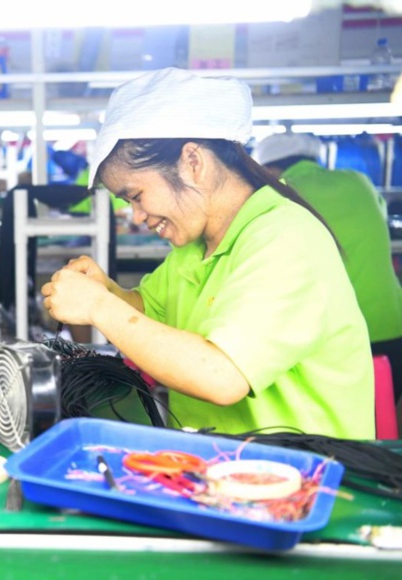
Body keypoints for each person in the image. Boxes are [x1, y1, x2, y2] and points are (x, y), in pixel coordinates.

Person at [40, 67, 374, 439]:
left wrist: (98, 306)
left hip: (311, 478)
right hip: (223, 469)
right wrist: (108, 293)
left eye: (136, 196)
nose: (136, 216)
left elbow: (222, 375)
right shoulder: (196, 245)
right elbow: (153, 320)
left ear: (193, 162)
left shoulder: (285, 238)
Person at [253, 132, 402, 409]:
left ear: (268, 169)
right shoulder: (359, 181)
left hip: (331, 340)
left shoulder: (277, 192)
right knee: (381, 418)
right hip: (391, 328)